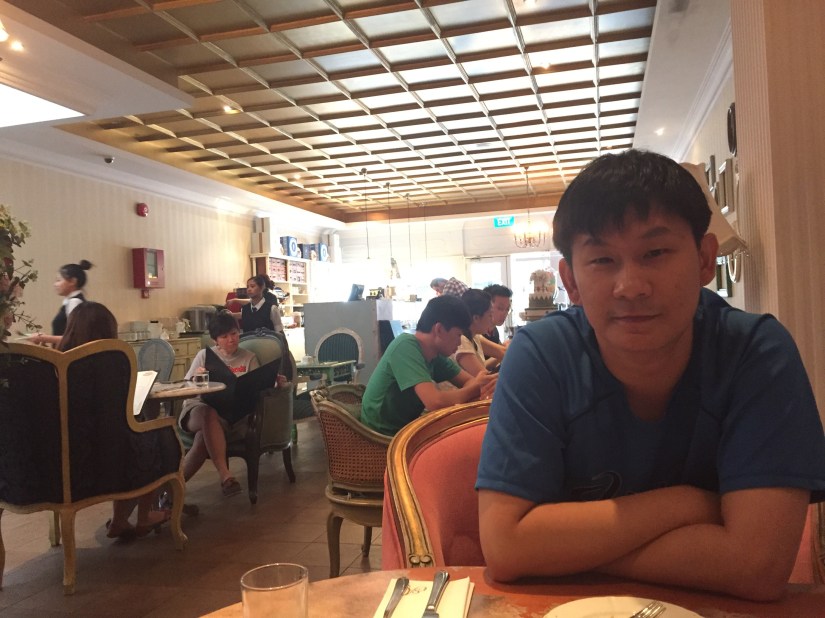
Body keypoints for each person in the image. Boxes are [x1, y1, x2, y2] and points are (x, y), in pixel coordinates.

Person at [476, 149, 825, 601]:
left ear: (705, 259)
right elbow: (505, 547)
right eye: (602, 260)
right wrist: (687, 503)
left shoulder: (755, 353)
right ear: (571, 281)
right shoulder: (542, 354)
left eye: (655, 252)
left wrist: (562, 550)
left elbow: (758, 566)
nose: (631, 287)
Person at [57, 301, 171, 540]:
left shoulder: (58, 362)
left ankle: (120, 521)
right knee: (153, 438)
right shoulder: (114, 360)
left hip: (62, 459)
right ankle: (142, 517)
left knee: (126, 442)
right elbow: (120, 412)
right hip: (107, 460)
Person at [179, 311, 287, 497]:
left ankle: (169, 495)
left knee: (202, 439)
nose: (231, 339)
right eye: (224, 336)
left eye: (234, 333)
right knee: (207, 413)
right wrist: (197, 379)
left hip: (231, 416)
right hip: (198, 408)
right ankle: (225, 476)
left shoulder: (248, 358)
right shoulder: (204, 356)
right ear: (215, 340)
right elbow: (187, 387)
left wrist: (276, 382)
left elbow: (259, 387)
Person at [360, 295, 497, 436]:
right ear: (439, 330)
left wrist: (475, 385)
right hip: (379, 435)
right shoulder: (405, 346)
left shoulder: (435, 355)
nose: (459, 342)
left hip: (405, 429)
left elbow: (469, 381)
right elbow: (434, 402)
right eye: (458, 335)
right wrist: (475, 387)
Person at [30, 259, 93, 347]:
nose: (55, 284)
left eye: (58, 280)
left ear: (73, 281)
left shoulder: (75, 302)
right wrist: (45, 339)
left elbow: (75, 338)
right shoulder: (70, 302)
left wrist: (44, 338)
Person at [452, 289, 497, 377]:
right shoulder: (461, 340)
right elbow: (484, 378)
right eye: (490, 315)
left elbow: (482, 366)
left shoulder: (475, 336)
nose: (492, 320)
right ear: (476, 318)